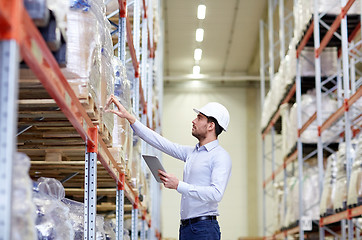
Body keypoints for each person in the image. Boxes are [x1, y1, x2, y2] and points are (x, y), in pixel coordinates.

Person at [105, 95, 232, 240]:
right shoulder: (192, 152)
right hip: (186, 228)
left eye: (199, 118)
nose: (193, 120)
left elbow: (216, 193)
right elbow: (161, 143)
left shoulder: (220, 156)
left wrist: (178, 185)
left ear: (211, 126)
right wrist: (130, 118)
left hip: (204, 229)